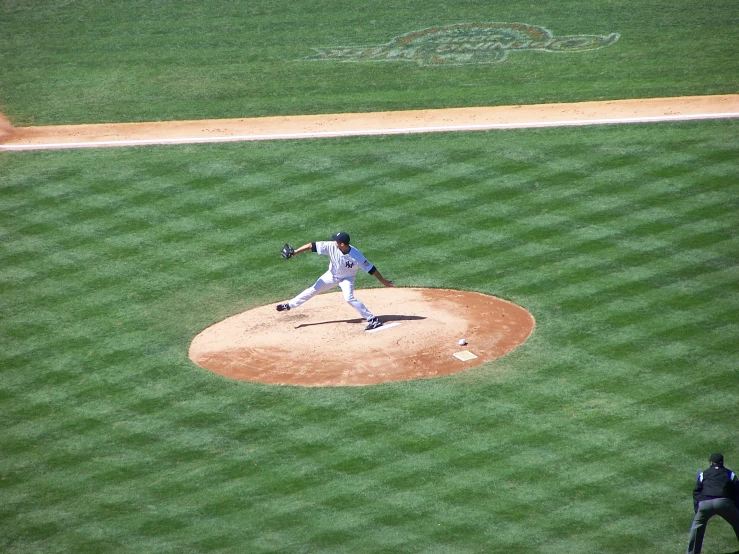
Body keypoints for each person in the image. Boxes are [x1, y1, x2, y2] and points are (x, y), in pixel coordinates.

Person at [276, 232, 394, 331]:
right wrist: (295, 252)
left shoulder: (356, 256)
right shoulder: (331, 246)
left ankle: (372, 319)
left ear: (342, 244)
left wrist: (383, 281)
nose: (334, 242)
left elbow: (371, 269)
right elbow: (311, 245)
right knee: (313, 289)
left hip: (347, 279)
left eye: (337, 241)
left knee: (348, 298)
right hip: (331, 275)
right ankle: (289, 305)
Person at [686, 453, 739, 554]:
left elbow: (697, 491)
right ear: (722, 462)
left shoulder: (703, 474)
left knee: (696, 529)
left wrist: (698, 509)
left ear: (711, 462)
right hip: (724, 503)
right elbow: (737, 491)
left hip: (705, 504)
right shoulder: (729, 474)